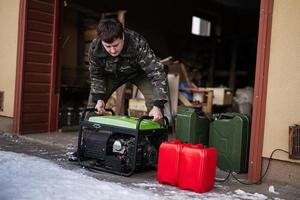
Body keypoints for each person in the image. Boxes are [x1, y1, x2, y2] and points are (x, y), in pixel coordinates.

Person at [68, 18, 168, 161]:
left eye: (116, 45)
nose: (112, 50)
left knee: (155, 107)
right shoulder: (95, 47)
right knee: (92, 107)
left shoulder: (137, 42)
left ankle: (156, 153)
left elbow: (157, 73)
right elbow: (96, 75)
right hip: (111, 75)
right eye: (108, 47)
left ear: (122, 36)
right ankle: (85, 148)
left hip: (139, 73)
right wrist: (99, 98)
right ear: (101, 41)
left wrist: (158, 105)